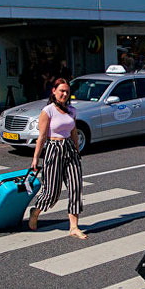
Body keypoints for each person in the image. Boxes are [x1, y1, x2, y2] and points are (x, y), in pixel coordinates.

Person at [28, 78, 87, 239]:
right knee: (52, 192)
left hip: (70, 150)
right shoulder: (48, 111)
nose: (65, 94)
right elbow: (41, 137)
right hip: (54, 149)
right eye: (62, 91)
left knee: (76, 187)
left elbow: (73, 131)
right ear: (54, 91)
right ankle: (36, 211)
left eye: (67, 91)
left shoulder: (71, 110)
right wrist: (35, 159)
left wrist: (76, 148)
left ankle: (74, 226)